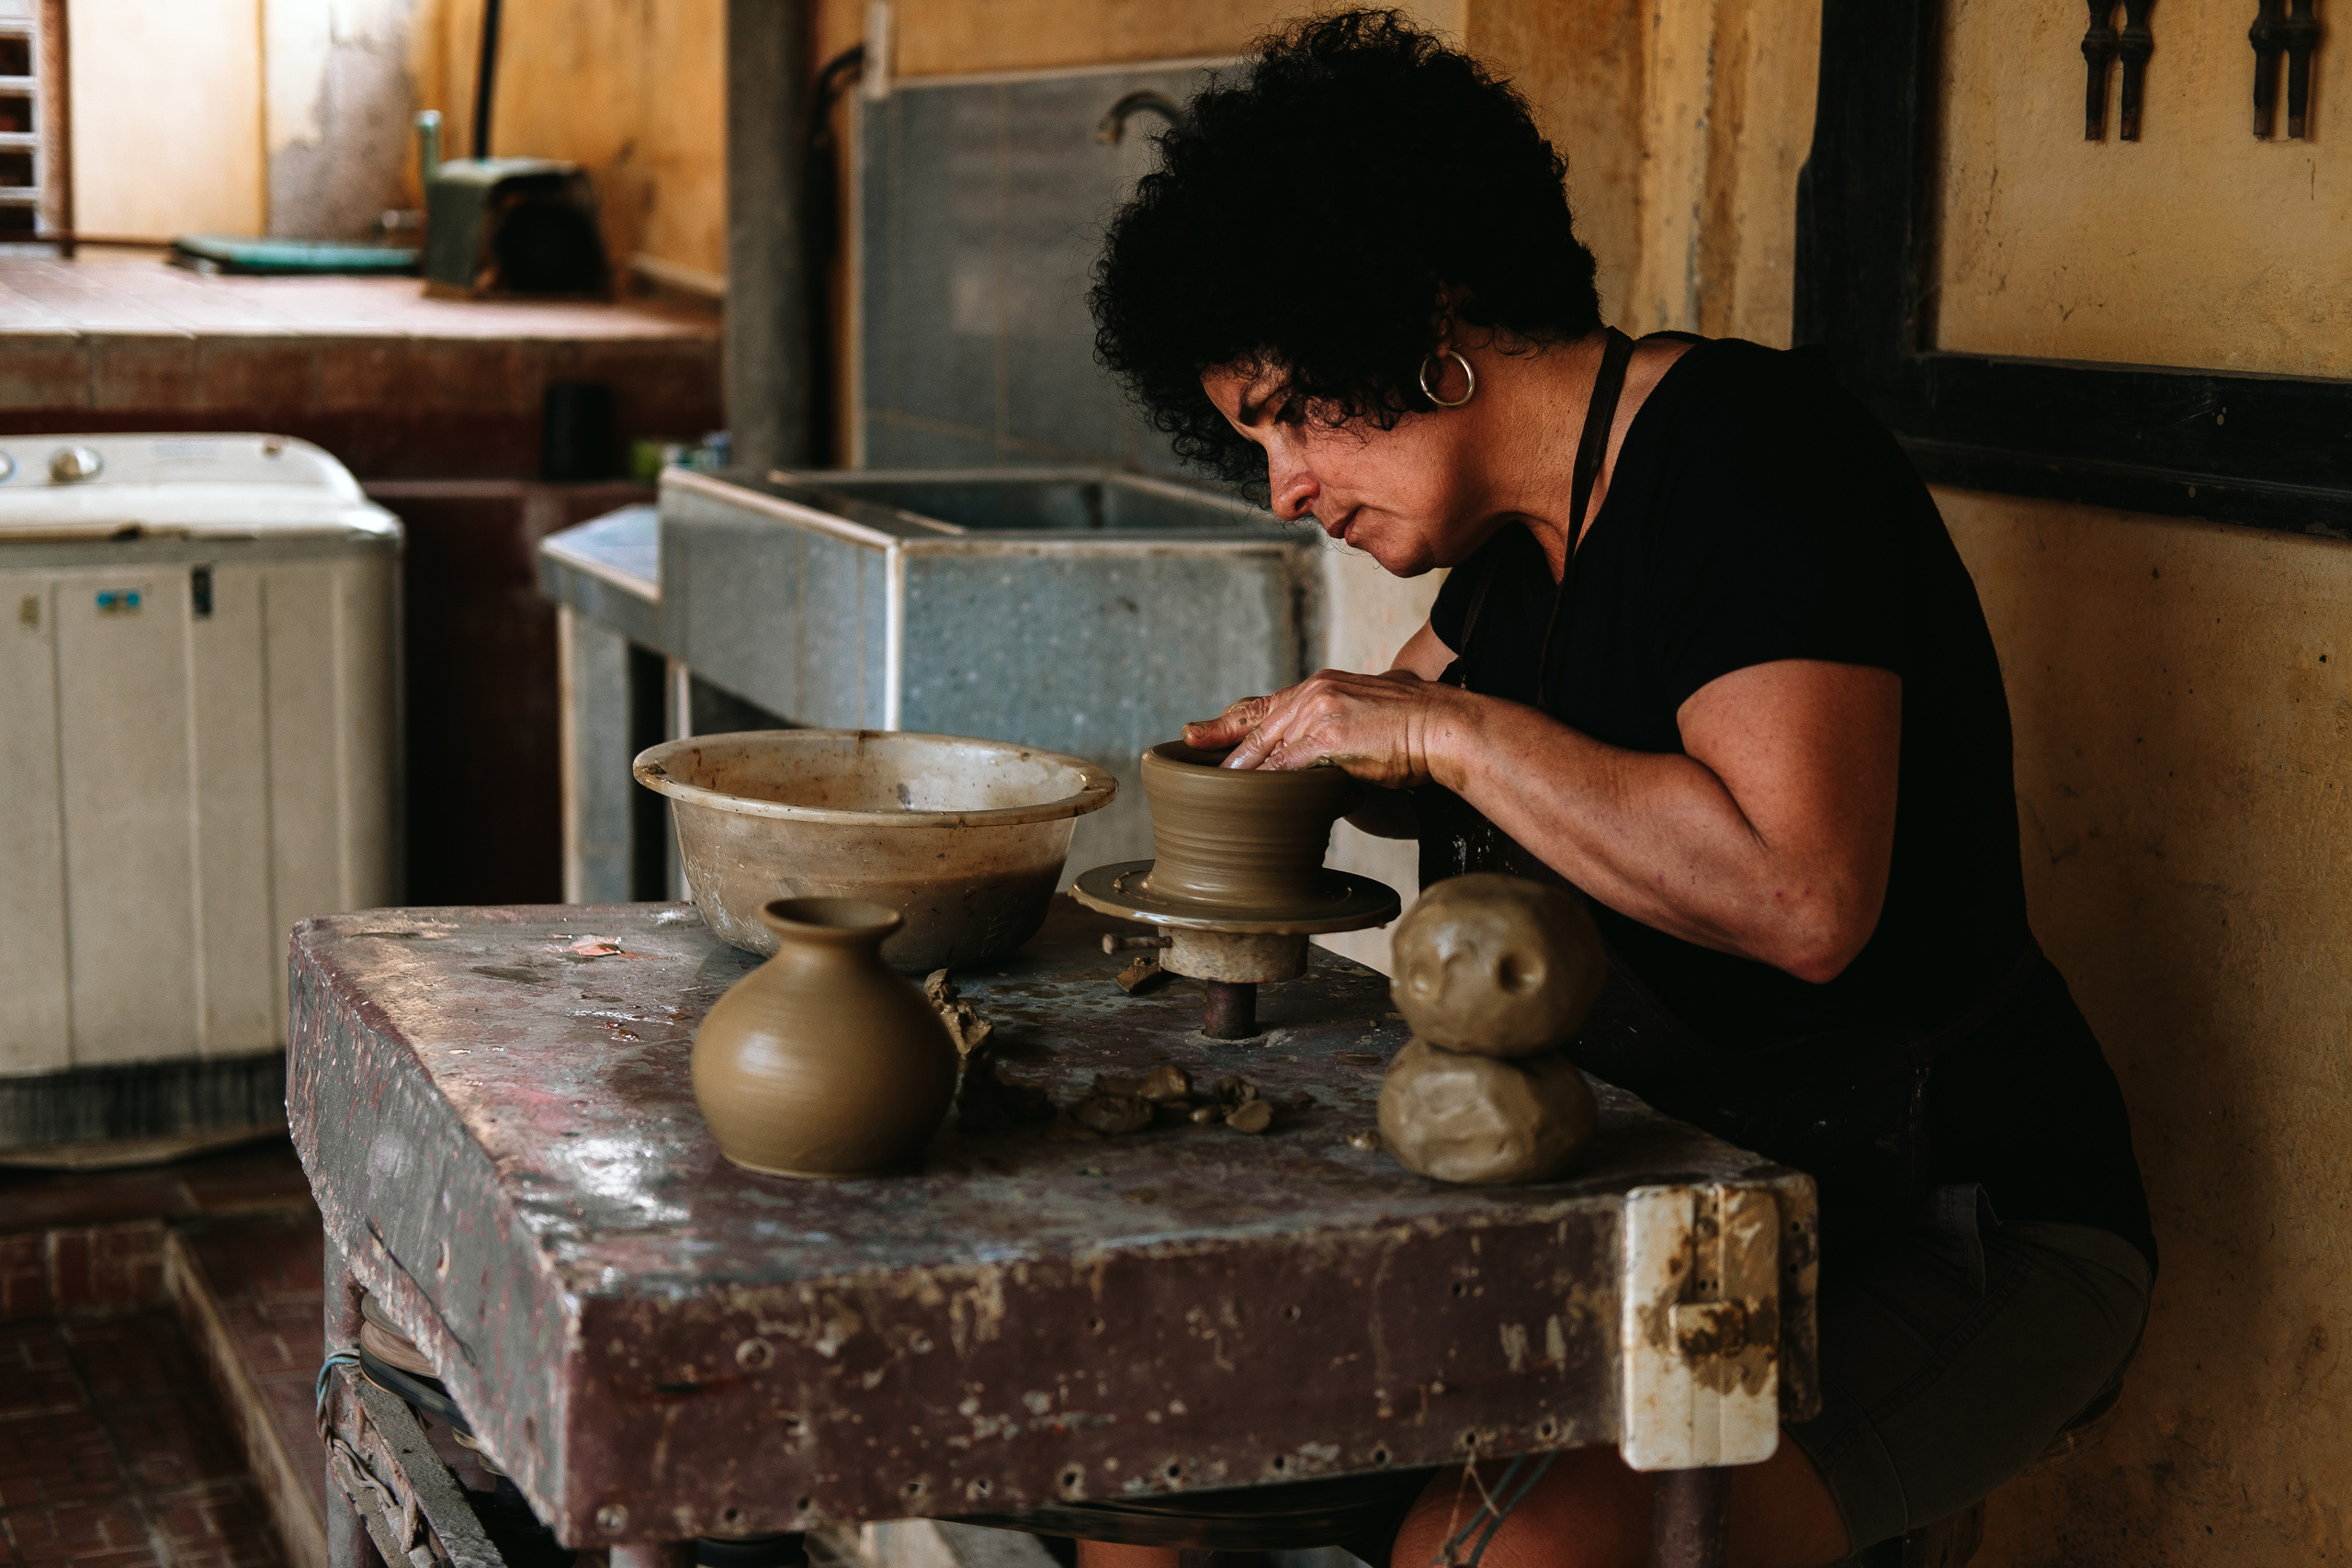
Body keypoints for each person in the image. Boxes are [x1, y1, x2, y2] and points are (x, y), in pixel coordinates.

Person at [1082, 11, 2154, 1568]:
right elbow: (1392, 736)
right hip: (1684, 1202)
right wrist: (1273, 756)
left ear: (1415, 320)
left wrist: (1440, 739)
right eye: (1255, 439)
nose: (1287, 488)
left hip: (1955, 1220)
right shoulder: (1517, 554)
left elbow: (1801, 897)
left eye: (1294, 415)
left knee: (1501, 1555)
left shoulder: (1749, 456)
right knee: (1157, 1485)